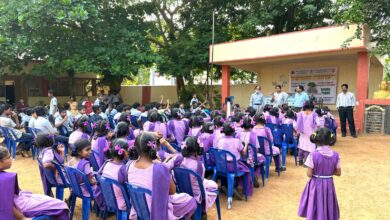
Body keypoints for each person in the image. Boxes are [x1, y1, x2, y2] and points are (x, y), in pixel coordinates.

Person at [127, 132, 197, 219]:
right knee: (191, 201)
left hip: (139, 209)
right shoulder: (159, 168)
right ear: (154, 146)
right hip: (157, 212)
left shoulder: (129, 165)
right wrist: (162, 165)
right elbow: (172, 191)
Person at [0, 147, 70, 220]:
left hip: (18, 201)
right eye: (8, 157)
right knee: (61, 206)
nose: (11, 158)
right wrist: (21, 217)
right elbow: (6, 204)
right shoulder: (4, 179)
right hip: (20, 207)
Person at [298, 128, 340, 220]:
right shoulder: (336, 155)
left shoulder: (313, 155)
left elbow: (309, 174)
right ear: (331, 140)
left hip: (315, 183)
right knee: (327, 202)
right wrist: (328, 171)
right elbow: (338, 172)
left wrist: (320, 171)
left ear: (317, 140)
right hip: (329, 183)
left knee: (315, 203)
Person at [180, 137, 218, 212]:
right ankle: (203, 210)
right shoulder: (199, 165)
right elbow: (201, 181)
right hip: (196, 194)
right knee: (213, 185)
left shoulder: (180, 160)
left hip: (183, 190)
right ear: (198, 149)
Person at [217, 122, 253, 200]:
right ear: (233, 131)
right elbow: (243, 153)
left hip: (221, 166)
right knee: (247, 171)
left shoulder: (220, 141)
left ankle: (226, 186)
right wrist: (246, 144)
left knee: (229, 171)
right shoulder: (236, 141)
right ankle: (245, 192)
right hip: (234, 166)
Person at [67, 139, 105, 210]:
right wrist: (97, 182)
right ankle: (101, 209)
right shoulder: (85, 164)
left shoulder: (70, 161)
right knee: (103, 188)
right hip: (85, 190)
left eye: (90, 149)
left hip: (75, 188)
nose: (90, 152)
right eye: (87, 150)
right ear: (78, 152)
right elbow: (90, 181)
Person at [99, 138, 129, 211]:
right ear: (124, 152)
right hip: (121, 204)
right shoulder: (123, 169)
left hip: (107, 199)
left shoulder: (106, 163)